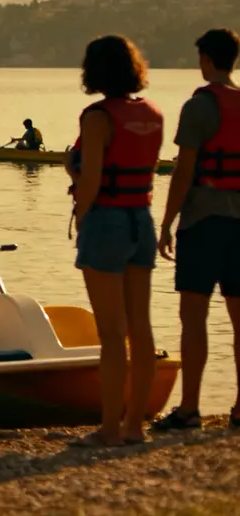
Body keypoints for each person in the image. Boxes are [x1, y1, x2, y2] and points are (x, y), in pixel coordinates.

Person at [64, 35, 162, 447]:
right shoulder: (152, 113)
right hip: (141, 220)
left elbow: (91, 180)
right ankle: (135, 426)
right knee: (140, 327)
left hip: (106, 222)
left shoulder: (97, 117)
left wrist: (79, 207)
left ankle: (109, 429)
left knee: (111, 333)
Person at [152, 28, 240, 431]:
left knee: (193, 316)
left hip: (203, 221)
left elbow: (184, 171)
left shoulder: (199, 106)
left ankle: (189, 408)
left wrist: (166, 222)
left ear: (206, 59)